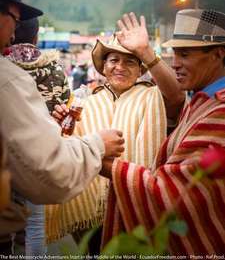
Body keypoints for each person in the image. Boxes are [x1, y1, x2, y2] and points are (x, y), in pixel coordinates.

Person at [0, 0, 124, 253]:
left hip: (23, 167)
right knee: (34, 226)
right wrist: (97, 145)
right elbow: (51, 171)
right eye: (14, 19)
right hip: (34, 170)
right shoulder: (13, 77)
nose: (13, 32)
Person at [46, 13, 185, 247]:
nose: (120, 67)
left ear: (141, 69)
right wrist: (61, 125)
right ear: (104, 67)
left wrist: (147, 52)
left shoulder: (153, 96)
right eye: (113, 60)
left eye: (130, 61)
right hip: (90, 210)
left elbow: (177, 95)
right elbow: (67, 146)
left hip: (137, 204)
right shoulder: (86, 101)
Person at [100, 9, 225, 255]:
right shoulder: (202, 101)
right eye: (175, 54)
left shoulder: (219, 110)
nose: (175, 63)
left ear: (218, 54)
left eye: (185, 54)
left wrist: (94, 157)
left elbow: (174, 194)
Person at [5, 17, 70, 255]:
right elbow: (64, 105)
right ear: (36, 36)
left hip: (5, 158)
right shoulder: (53, 68)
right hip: (39, 155)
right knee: (34, 226)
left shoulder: (3, 65)